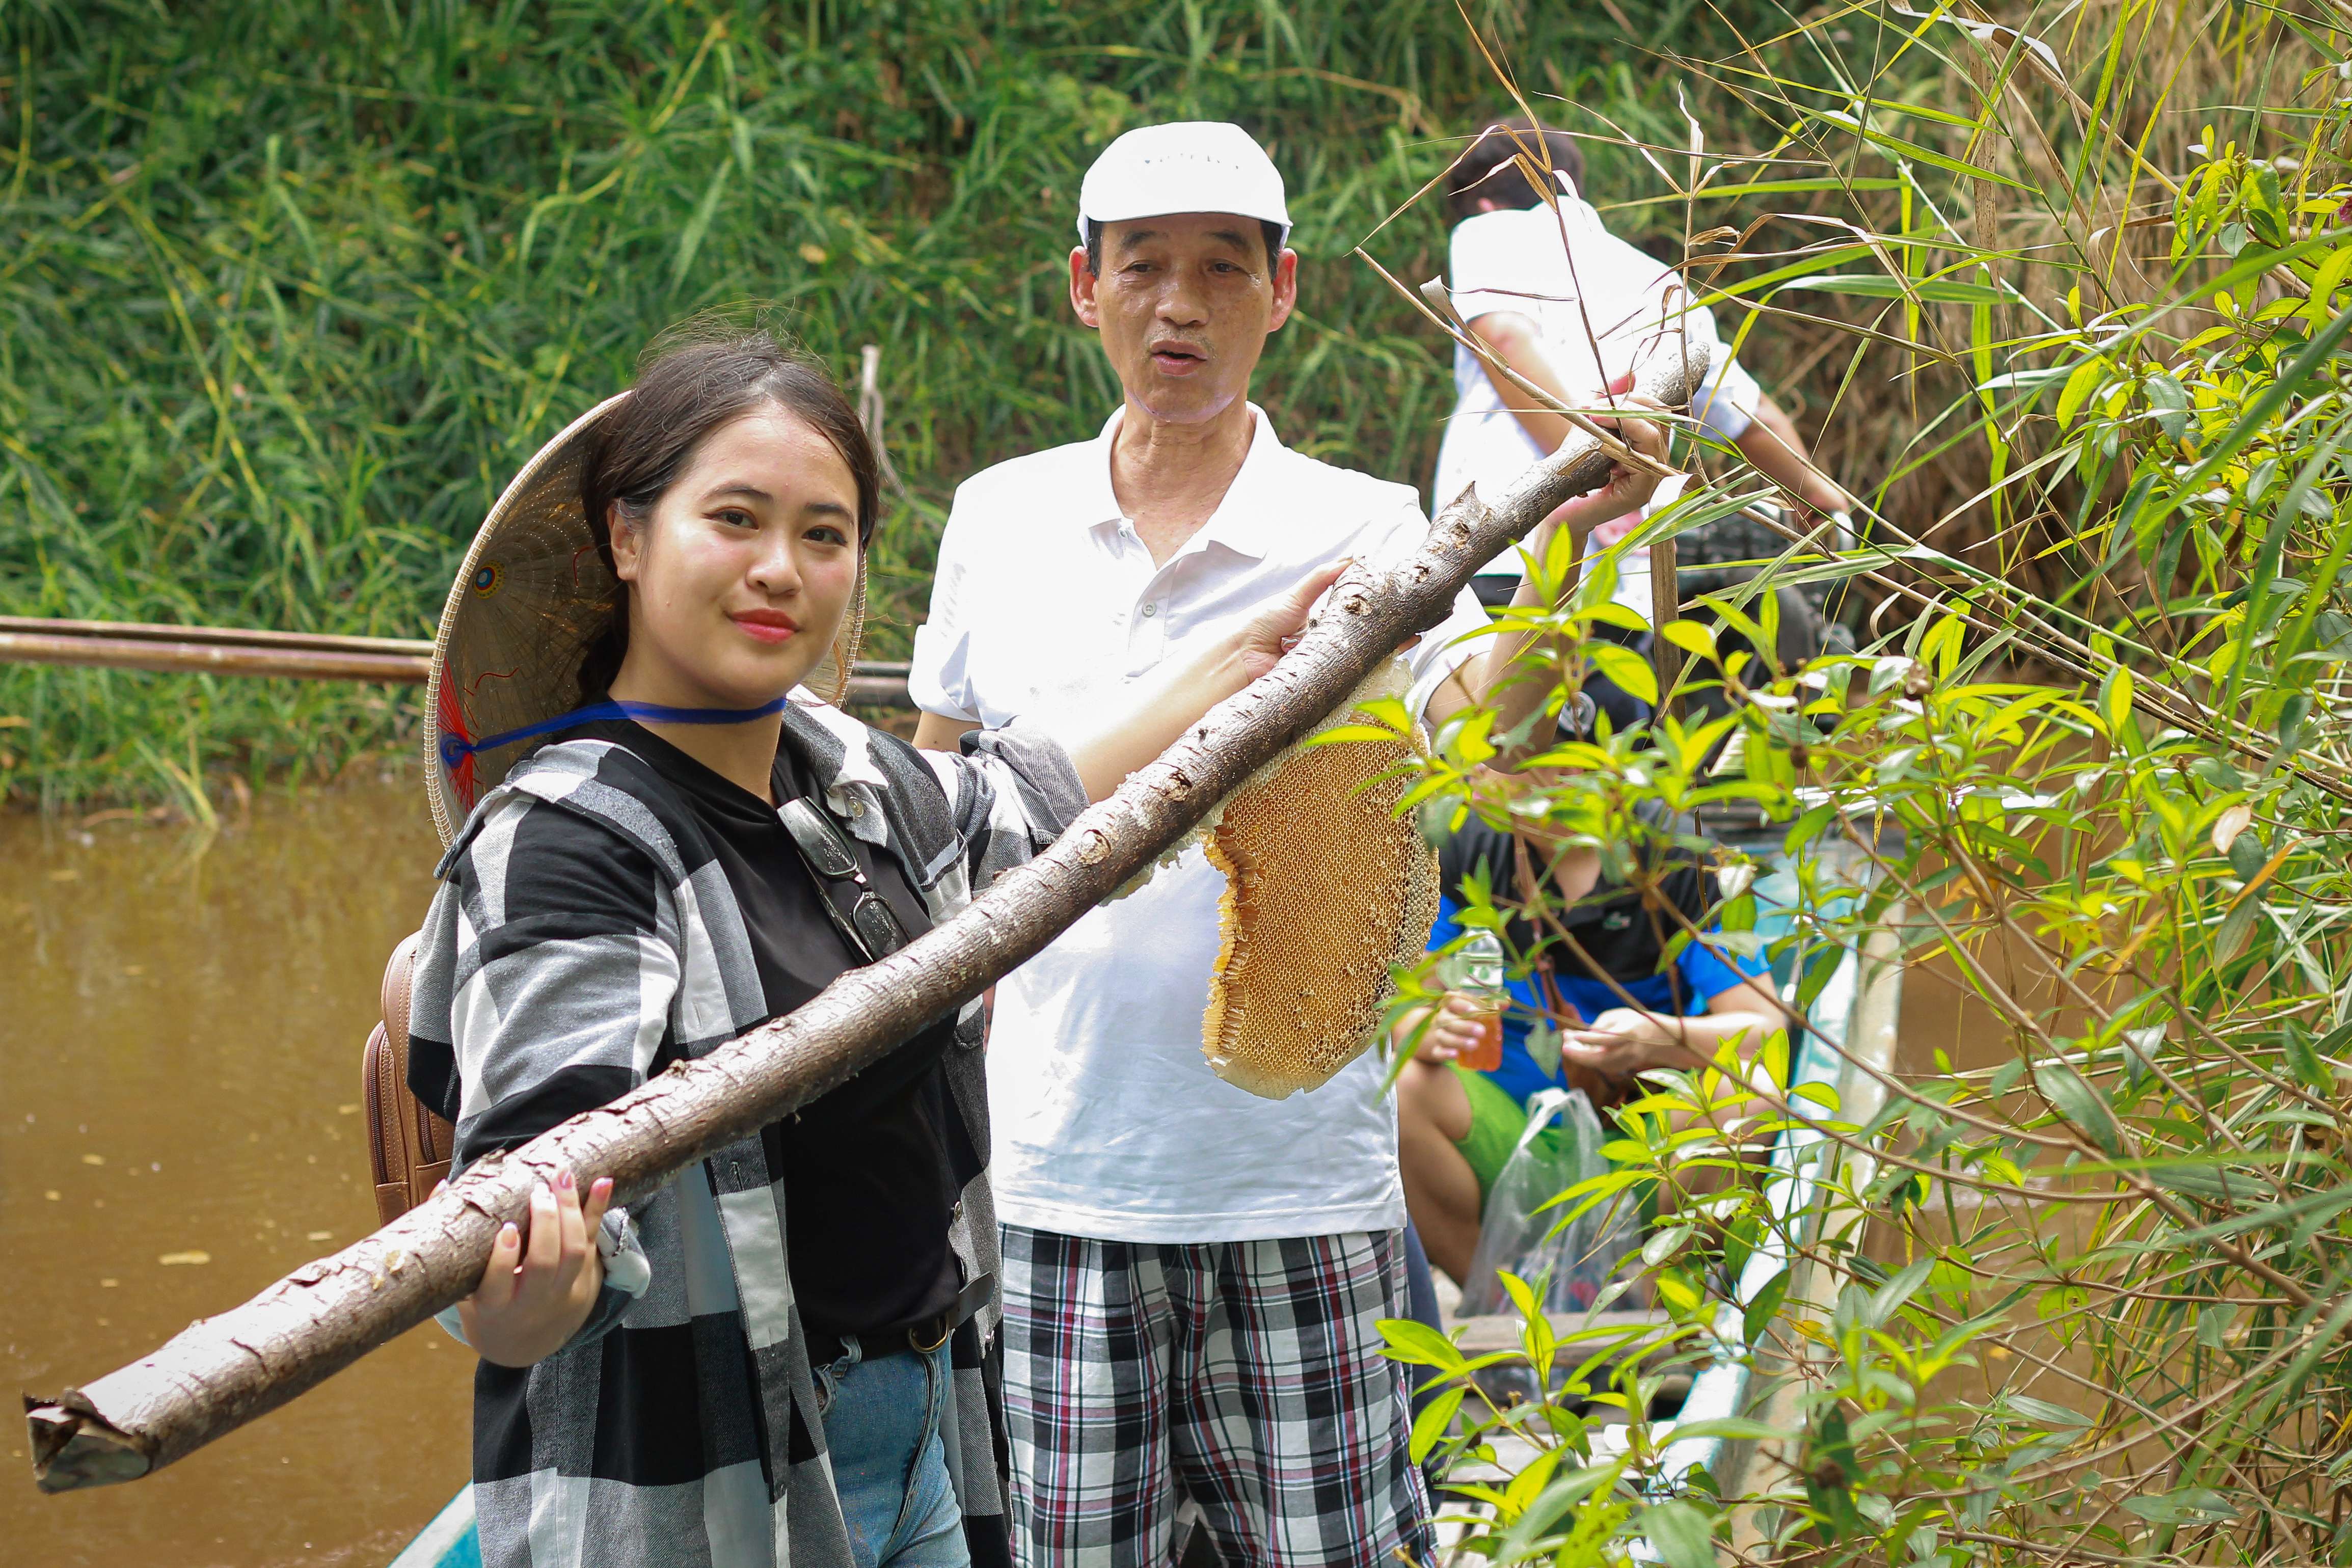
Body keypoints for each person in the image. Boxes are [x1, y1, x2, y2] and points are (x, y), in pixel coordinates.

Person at [403, 327, 1349, 1568]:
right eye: (734, 519)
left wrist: (1257, 655)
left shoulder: (839, 777)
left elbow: (1022, 798)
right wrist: (529, 1292)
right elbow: (544, 1189)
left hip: (924, 1425)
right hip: (712, 1462)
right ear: (627, 538)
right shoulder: (573, 842)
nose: (778, 570)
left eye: (823, 533)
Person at [907, 121, 1667, 1568]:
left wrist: (1580, 537)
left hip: (1298, 1186)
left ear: (1283, 291)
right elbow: (933, 803)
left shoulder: (1365, 525)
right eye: (1142, 270)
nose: (1178, 306)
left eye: (1218, 270)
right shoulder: (998, 519)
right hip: (1054, 1179)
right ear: (1084, 287)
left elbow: (1472, 725)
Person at [1436, 118, 1851, 729]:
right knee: (1615, 769)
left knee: (1504, 769)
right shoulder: (1657, 279)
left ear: (1485, 197)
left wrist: (1588, 466)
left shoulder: (1486, 230)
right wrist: (1822, 502)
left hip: (1505, 557)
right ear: (1574, 184)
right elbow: (1751, 415)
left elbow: (1502, 339)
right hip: (1630, 583)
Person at [1392, 804, 1783, 1285]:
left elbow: (1766, 1029)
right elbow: (1401, 1006)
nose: (1494, 773)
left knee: (1754, 1092)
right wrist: (1426, 1030)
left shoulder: (1685, 859)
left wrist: (1657, 1038)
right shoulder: (1459, 847)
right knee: (1403, 1086)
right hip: (1507, 1141)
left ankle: (1659, 1314)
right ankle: (1499, 1310)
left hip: (1645, 1147)